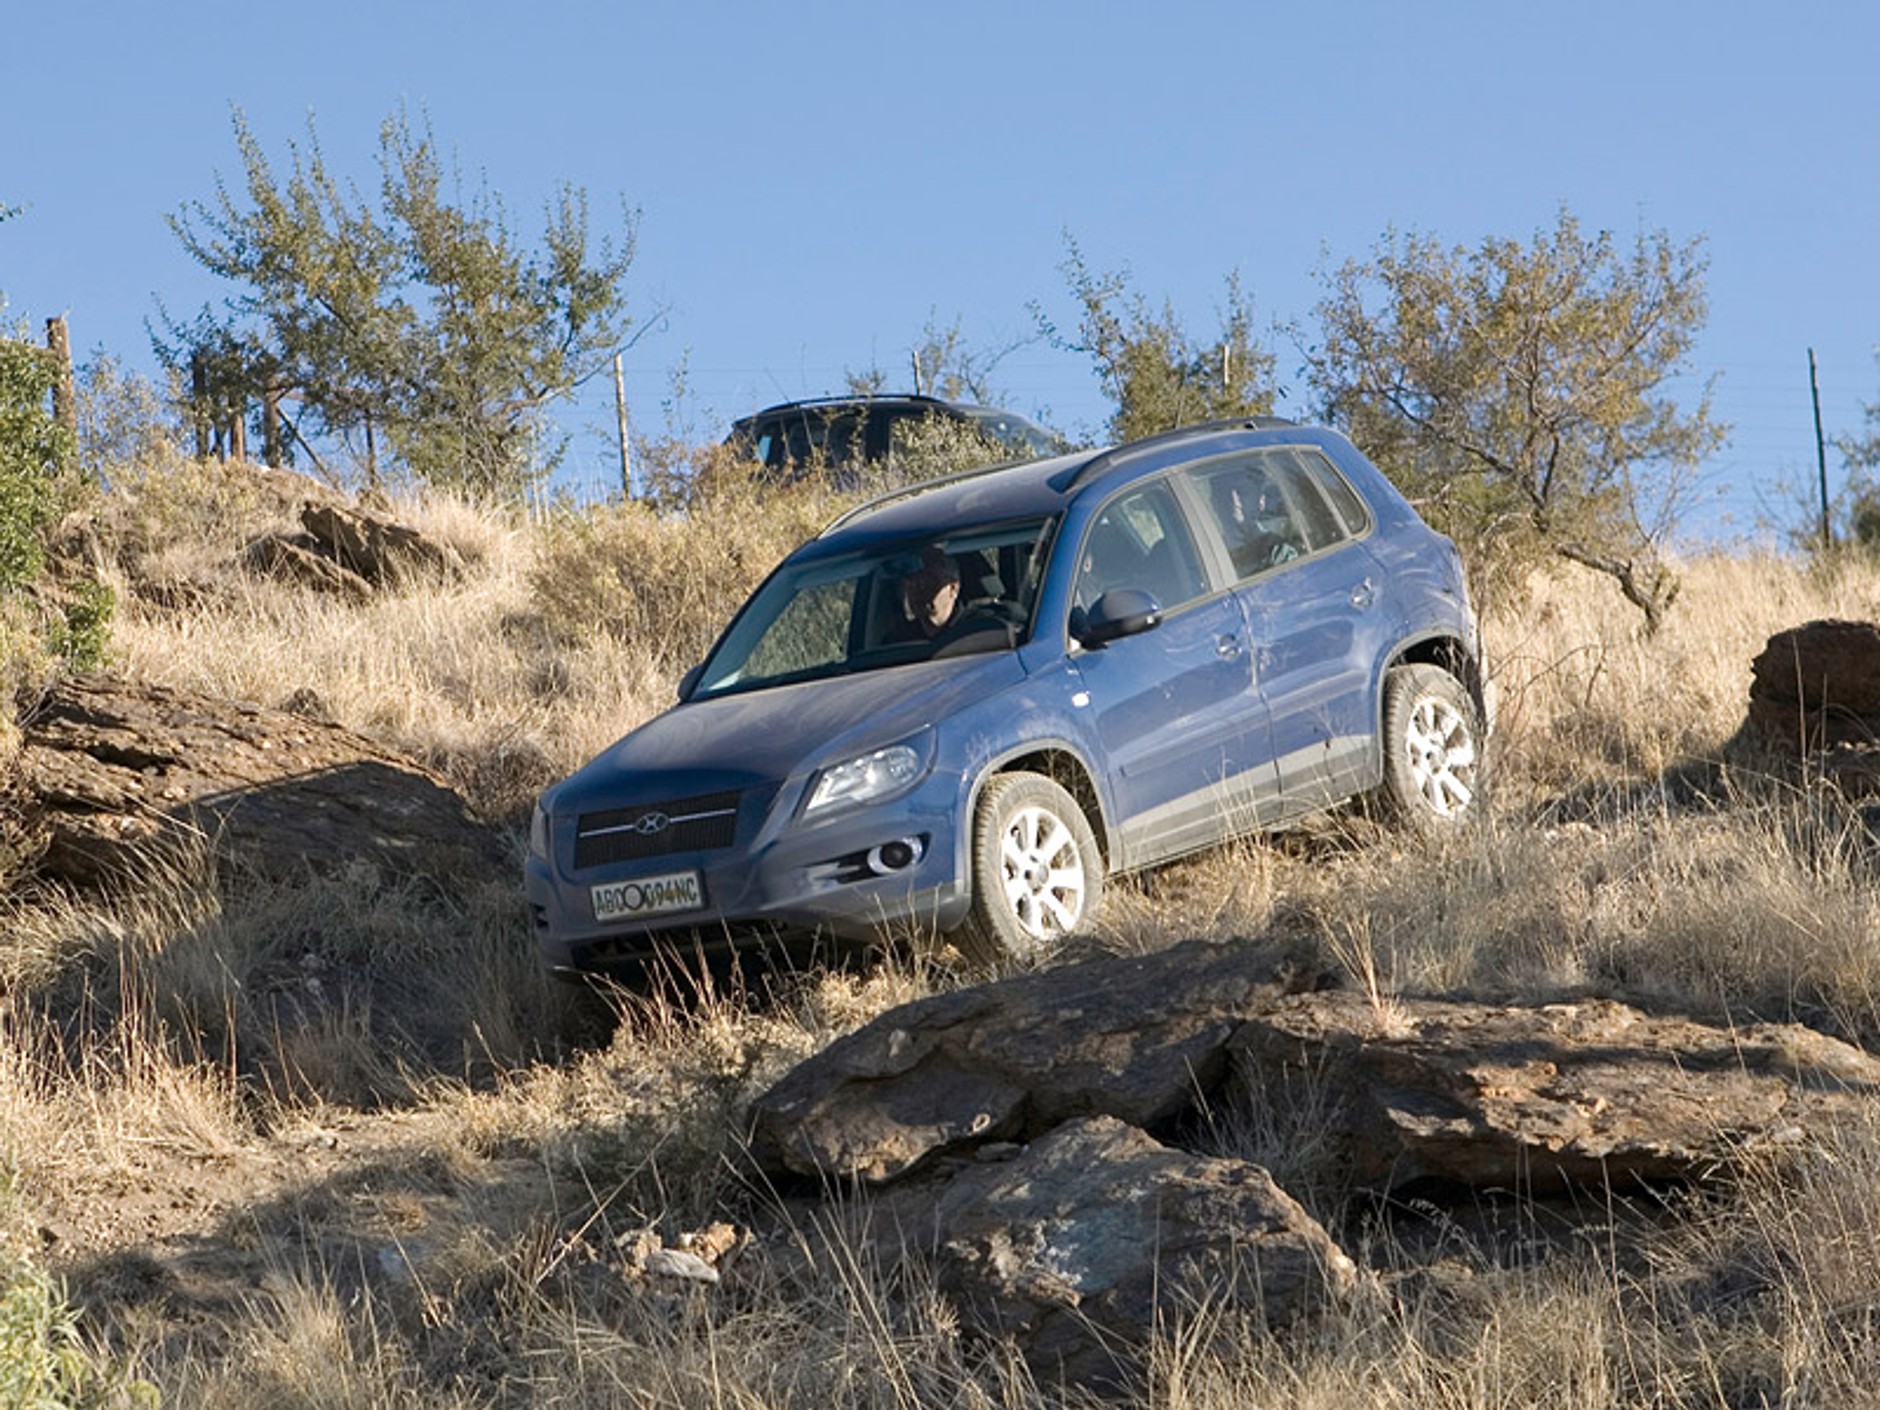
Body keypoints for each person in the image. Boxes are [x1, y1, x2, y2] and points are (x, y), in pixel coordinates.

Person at [897, 545, 961, 640]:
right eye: (912, 580)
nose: (918, 589)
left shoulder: (978, 628)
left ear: (953, 588)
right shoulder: (899, 640)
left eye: (929, 580)